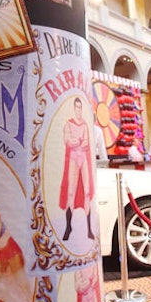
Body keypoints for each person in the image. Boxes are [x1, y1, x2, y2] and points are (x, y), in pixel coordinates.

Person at [60, 97, 95, 241]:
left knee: (87, 191)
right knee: (70, 191)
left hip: (84, 159)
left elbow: (86, 142)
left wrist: (79, 141)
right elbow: (67, 141)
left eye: (81, 108)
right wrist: (78, 141)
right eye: (77, 107)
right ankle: (68, 227)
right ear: (74, 109)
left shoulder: (86, 125)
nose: (79, 110)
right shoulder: (68, 124)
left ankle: (89, 229)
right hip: (74, 158)